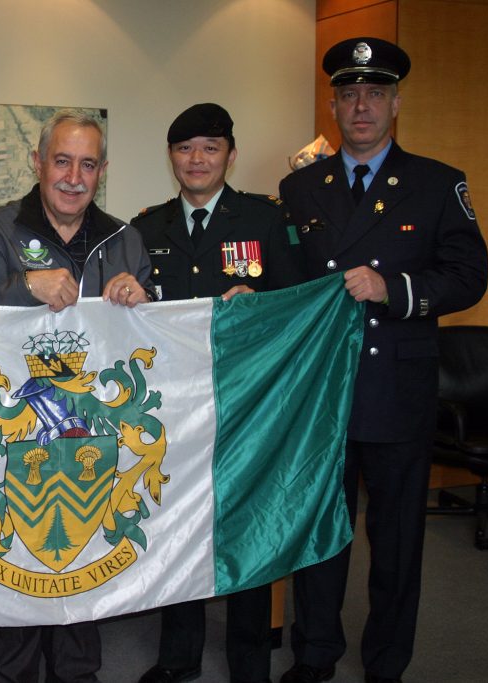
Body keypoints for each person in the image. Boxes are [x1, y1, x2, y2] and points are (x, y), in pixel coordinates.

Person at [277, 38, 488, 683]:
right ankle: (315, 656)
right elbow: (287, 280)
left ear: (395, 102)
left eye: (373, 93)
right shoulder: (299, 187)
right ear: (334, 105)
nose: (360, 106)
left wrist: (394, 290)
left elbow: (469, 276)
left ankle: (387, 664)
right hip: (323, 393)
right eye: (348, 94)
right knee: (321, 536)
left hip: (397, 387)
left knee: (396, 544)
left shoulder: (436, 183)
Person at [0, 109, 153, 683]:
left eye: (87, 164)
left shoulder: (125, 238)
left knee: (85, 563)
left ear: (103, 171)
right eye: (62, 160)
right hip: (21, 431)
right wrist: (26, 285)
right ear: (37, 163)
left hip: (96, 434)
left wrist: (142, 296)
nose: (73, 176)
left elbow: (154, 336)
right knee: (17, 566)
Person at [131, 103, 304, 683]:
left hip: (245, 403)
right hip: (174, 405)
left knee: (246, 528)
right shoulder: (146, 227)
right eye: (185, 149)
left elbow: (295, 307)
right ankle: (178, 655)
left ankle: (250, 660)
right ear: (171, 158)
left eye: (210, 147)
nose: (197, 159)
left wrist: (259, 308)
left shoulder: (262, 219)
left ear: (230, 153)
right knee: (176, 524)